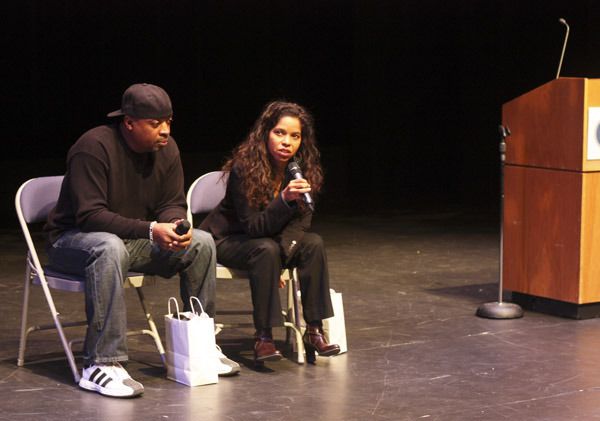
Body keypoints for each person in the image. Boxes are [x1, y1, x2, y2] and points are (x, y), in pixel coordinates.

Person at [44, 83, 238, 398]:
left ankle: (199, 347)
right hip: (72, 242)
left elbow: (172, 202)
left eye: (169, 121)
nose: (165, 130)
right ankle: (100, 364)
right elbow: (90, 216)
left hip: (126, 242)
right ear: (129, 122)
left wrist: (175, 223)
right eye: (155, 123)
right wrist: (151, 229)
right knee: (108, 247)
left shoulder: (167, 149)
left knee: (200, 242)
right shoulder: (92, 147)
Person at [200, 100, 340, 365]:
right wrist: (284, 200)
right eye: (280, 133)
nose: (287, 141)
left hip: (270, 243)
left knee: (313, 243)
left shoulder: (300, 169)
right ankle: (264, 337)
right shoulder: (245, 168)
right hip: (230, 239)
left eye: (295, 136)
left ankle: (314, 330)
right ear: (265, 133)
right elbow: (252, 227)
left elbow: (301, 223)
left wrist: (283, 253)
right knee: (266, 249)